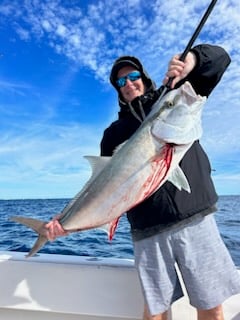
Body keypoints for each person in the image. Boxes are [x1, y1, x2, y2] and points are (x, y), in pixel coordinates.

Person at [45, 44, 240, 320]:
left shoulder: (171, 97)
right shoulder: (112, 134)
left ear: (144, 77)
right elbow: (102, 192)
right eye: (121, 81)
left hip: (195, 218)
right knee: (155, 313)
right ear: (118, 90)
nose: (128, 83)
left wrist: (191, 62)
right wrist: (65, 221)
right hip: (148, 230)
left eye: (133, 75)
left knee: (211, 306)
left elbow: (220, 61)